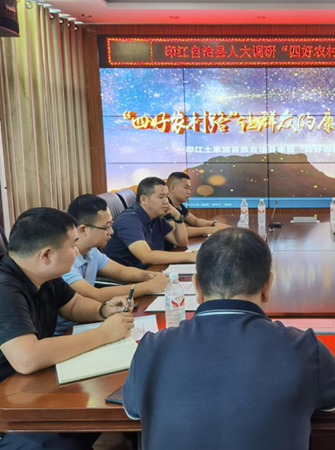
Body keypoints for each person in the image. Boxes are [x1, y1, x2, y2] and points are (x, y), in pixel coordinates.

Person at [122, 227, 335, 450]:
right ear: (267, 286)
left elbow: (132, 411)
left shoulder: (152, 348)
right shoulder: (304, 348)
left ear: (197, 287)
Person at [0, 208, 133, 449]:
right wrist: (103, 334)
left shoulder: (43, 273)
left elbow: (72, 304)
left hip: (35, 379)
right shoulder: (5, 289)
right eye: (73, 245)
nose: (77, 251)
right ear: (46, 254)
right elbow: (27, 358)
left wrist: (103, 309)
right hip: (10, 394)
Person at [65, 194, 169, 302]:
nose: (111, 231)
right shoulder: (65, 260)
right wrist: (149, 286)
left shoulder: (92, 251)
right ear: (83, 230)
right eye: (106, 227)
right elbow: (95, 295)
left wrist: (150, 276)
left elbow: (121, 271)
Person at [105, 177, 196, 269]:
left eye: (167, 196)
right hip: (131, 275)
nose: (166, 202)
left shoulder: (156, 216)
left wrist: (178, 217)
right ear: (143, 199)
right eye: (161, 197)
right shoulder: (129, 220)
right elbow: (146, 256)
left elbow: (181, 242)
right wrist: (189, 256)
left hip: (151, 269)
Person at [165, 172, 230, 238]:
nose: (189, 192)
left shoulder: (179, 206)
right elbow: (179, 232)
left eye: (190, 188)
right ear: (172, 188)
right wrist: (212, 230)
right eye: (186, 188)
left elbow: (195, 221)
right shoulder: (165, 206)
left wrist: (215, 224)